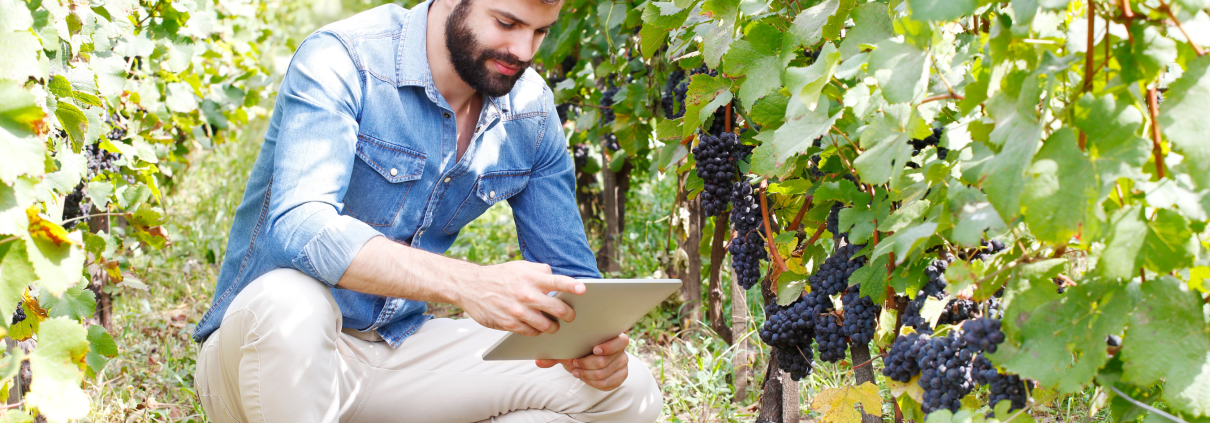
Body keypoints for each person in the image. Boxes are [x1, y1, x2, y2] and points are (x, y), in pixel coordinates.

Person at [190, 0, 663, 421]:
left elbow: (573, 283)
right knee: (291, 301)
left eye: (540, 32)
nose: (522, 49)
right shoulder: (344, 58)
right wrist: (469, 283)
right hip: (270, 357)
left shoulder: (530, 108)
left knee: (630, 391)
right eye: (506, 22)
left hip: (397, 354)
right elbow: (300, 227)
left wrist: (596, 351)